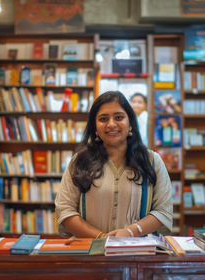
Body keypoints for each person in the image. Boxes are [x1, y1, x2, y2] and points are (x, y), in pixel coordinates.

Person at [55, 91, 172, 239]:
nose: (111, 124)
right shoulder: (79, 161)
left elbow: (163, 211)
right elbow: (64, 210)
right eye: (103, 119)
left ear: (130, 124)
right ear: (95, 127)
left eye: (119, 117)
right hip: (90, 254)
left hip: (138, 255)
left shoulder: (152, 161)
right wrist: (101, 238)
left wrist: (130, 232)